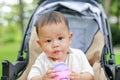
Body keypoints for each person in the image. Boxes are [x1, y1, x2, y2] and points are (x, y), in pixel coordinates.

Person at [27, 11, 94, 80]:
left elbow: (90, 74)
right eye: (48, 41)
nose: (55, 45)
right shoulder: (42, 59)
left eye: (60, 38)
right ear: (40, 44)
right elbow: (31, 77)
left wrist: (80, 77)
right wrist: (42, 78)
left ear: (69, 38)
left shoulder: (78, 55)